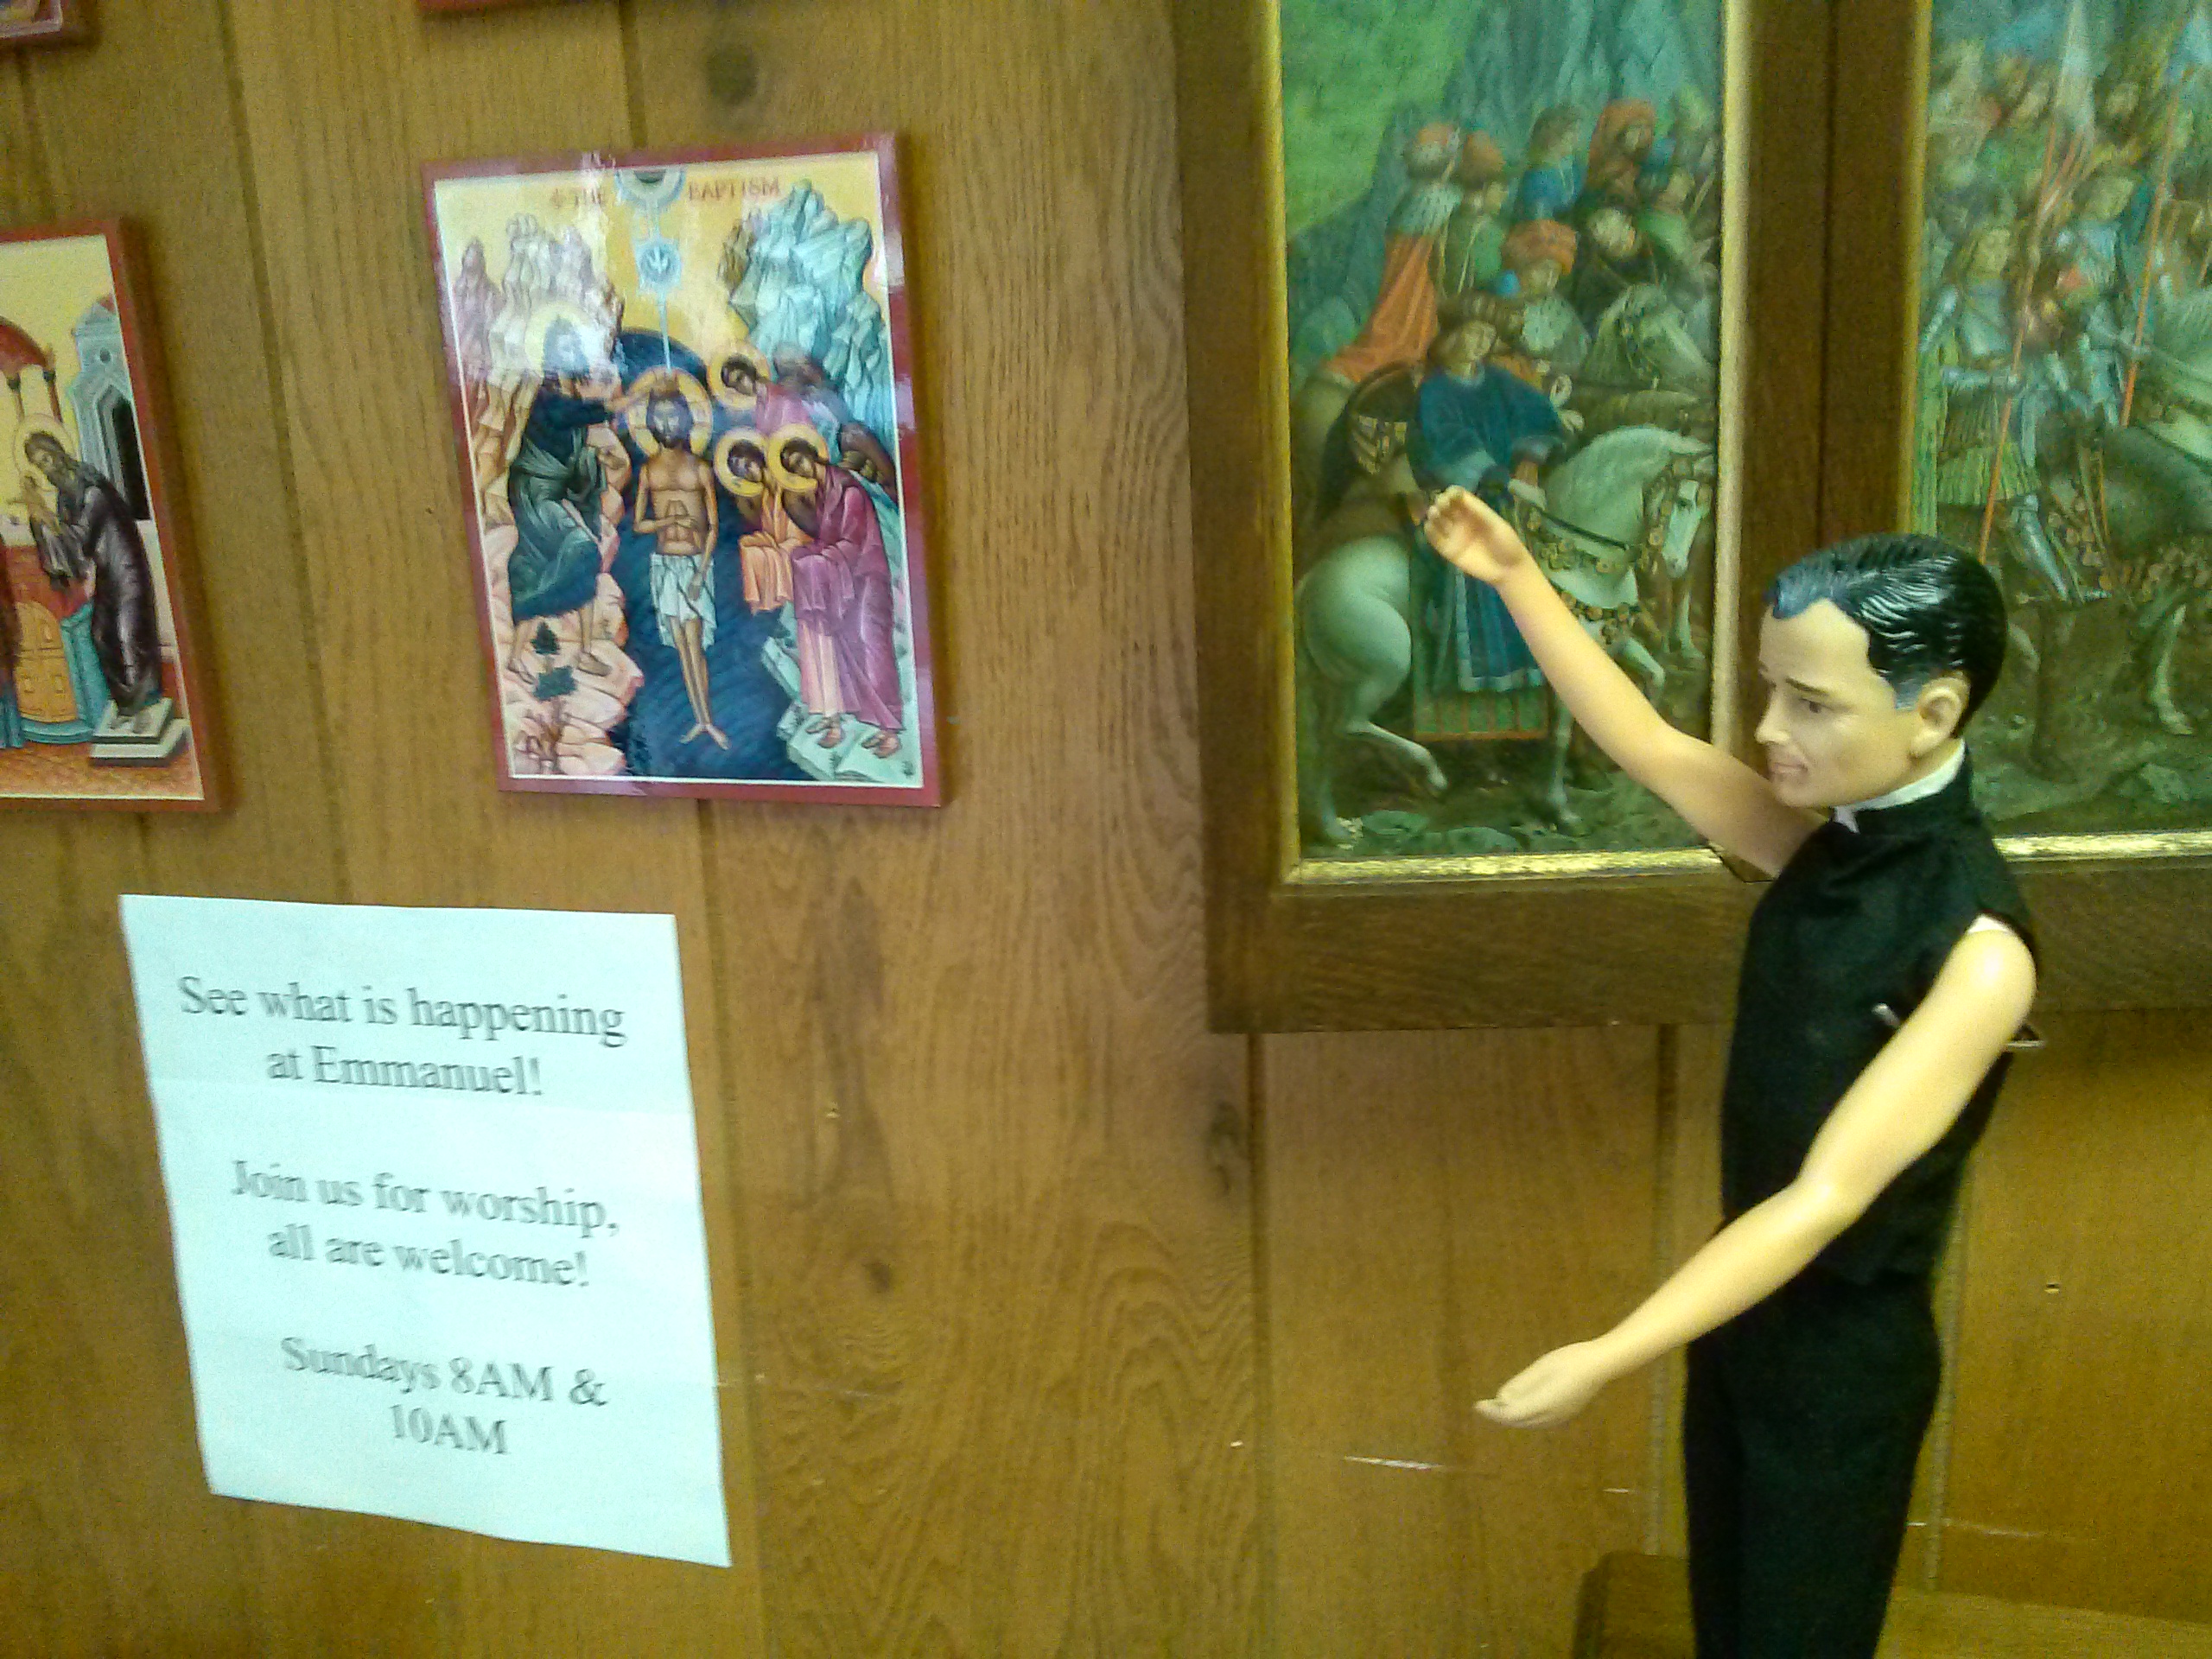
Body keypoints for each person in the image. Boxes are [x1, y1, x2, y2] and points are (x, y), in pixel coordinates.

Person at [1423, 493, 2037, 1659]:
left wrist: (1610, 1354)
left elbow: (1824, 1199)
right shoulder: (1824, 851)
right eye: (1771, 689)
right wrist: (1512, 576)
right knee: (1730, 1621)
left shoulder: (1977, 951)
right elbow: (1652, 747)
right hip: (1742, 1328)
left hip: (1841, 1371)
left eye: (1812, 702)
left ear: (1932, 714)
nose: (1768, 727)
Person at [779, 428, 904, 758]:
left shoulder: (848, 490)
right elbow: (828, 538)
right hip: (847, 577)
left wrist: (820, 558)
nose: (800, 468)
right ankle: (877, 724)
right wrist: (811, 554)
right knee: (853, 645)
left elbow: (852, 540)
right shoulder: (823, 492)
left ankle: (891, 729)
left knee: (873, 645)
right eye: (793, 467)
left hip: (868, 574)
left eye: (799, 460)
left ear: (812, 454)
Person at [22, 432, 164, 722]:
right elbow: (70, 548)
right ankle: (126, 704)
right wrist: (39, 520)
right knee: (99, 635)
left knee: (127, 635)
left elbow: (81, 537)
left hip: (126, 567)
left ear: (58, 452)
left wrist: (46, 518)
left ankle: (144, 706)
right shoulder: (65, 497)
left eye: (47, 459)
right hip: (106, 573)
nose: (47, 468)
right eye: (40, 465)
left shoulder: (92, 488)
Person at [632, 391, 726, 749]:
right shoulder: (648, 470)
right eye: (659, 416)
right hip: (664, 564)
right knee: (682, 648)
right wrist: (667, 521)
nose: (667, 423)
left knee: (695, 645)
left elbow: (713, 527)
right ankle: (699, 720)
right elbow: (639, 524)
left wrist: (701, 573)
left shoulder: (700, 468)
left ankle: (709, 720)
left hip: (693, 563)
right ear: (650, 423)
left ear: (686, 419)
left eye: (673, 416)